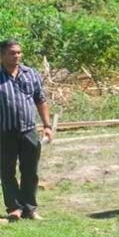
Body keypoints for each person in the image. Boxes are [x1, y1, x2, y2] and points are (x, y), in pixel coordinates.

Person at [0, 39, 53, 222]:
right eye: (12, 53)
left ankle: (30, 208)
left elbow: (40, 100)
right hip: (4, 132)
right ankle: (14, 208)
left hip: (28, 131)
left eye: (18, 52)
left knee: (30, 171)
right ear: (1, 56)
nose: (16, 56)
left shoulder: (30, 74)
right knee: (7, 171)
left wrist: (47, 126)